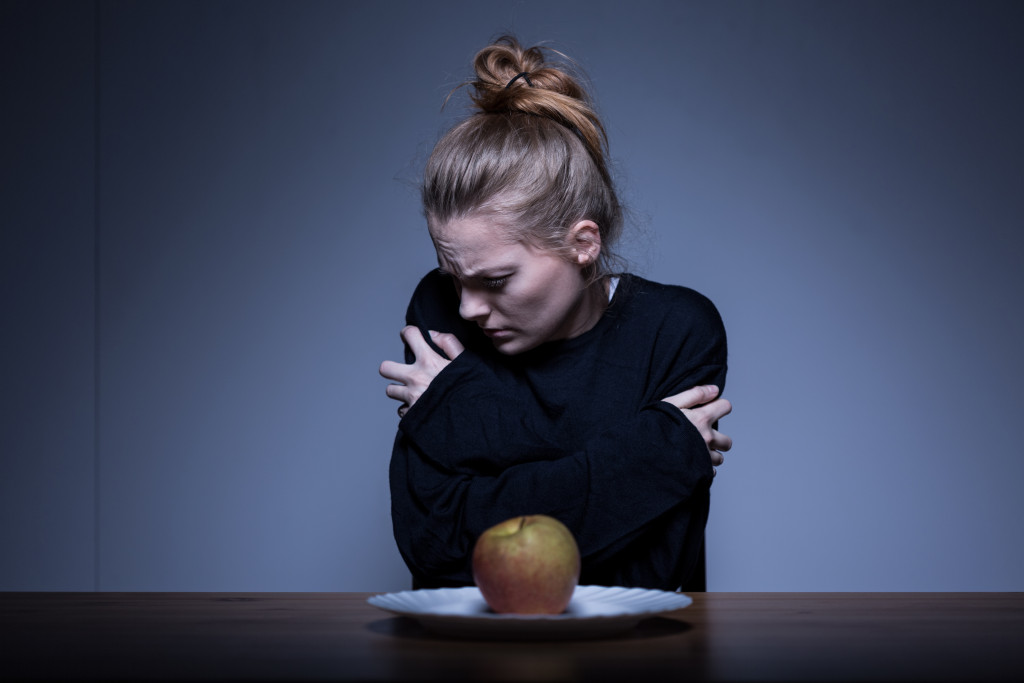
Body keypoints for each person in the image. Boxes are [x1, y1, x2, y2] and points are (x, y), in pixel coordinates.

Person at [379, 36, 732, 592]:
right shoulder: (438, 307)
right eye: (455, 278)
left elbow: (646, 574)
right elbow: (436, 545)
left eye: (495, 280)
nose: (469, 307)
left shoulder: (675, 329)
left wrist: (459, 408)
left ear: (583, 244)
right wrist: (653, 454)